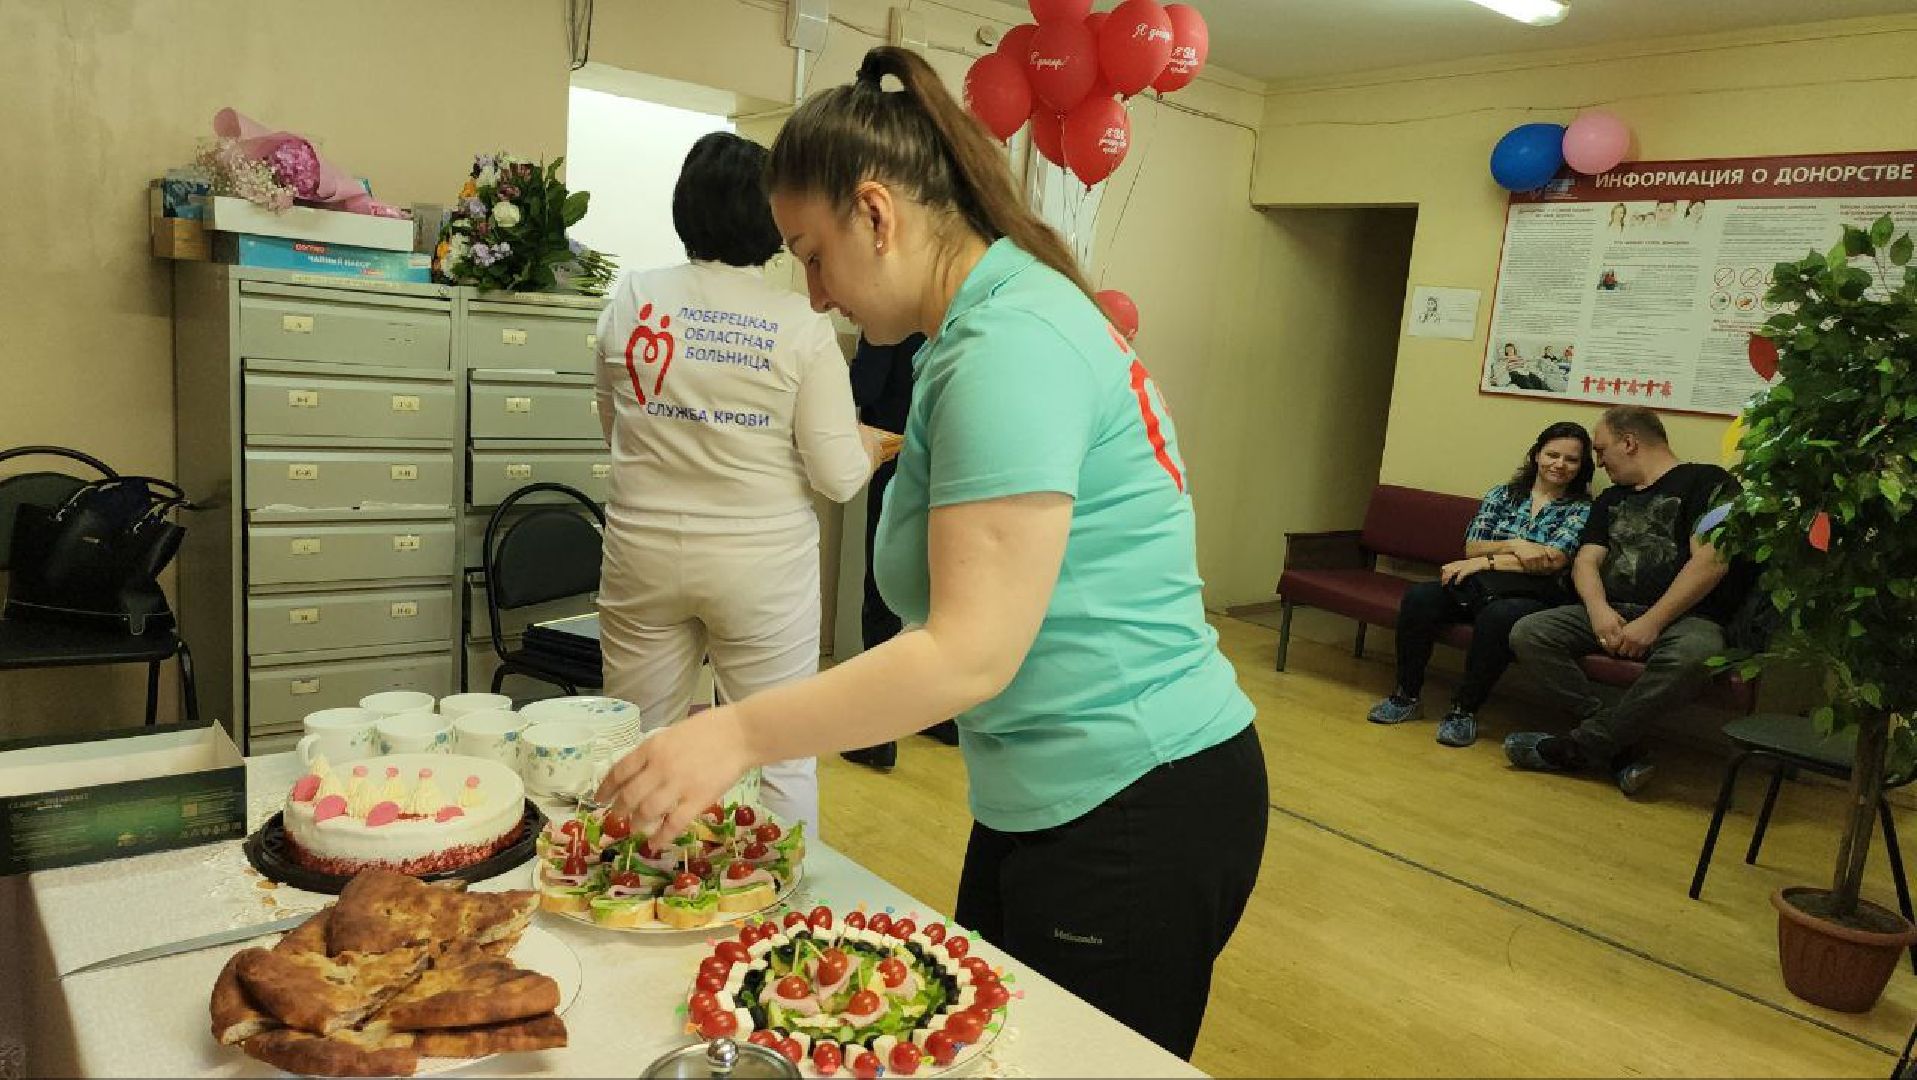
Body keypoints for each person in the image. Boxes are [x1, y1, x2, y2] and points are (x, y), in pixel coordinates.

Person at [598, 47, 1267, 1061]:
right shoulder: (976, 333)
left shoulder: (1013, 346)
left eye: (812, 254)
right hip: (1053, 792)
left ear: (878, 213)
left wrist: (735, 734)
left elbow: (966, 654)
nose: (813, 295)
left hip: (1132, 794)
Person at [591, 131, 893, 834]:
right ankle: (778, 919)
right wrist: (869, 446)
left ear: (682, 208)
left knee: (632, 746)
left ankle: (633, 903)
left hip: (642, 551)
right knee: (780, 752)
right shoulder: (798, 321)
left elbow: (616, 429)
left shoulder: (631, 297)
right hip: (762, 567)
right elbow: (838, 475)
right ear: (771, 217)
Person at [1503, 406, 1742, 792]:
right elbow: (1585, 561)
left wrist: (1652, 623)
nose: (1597, 462)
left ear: (1629, 443)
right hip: (1613, 608)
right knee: (1530, 632)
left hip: (1685, 618)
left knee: (1695, 656)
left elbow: (1712, 561)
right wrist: (1598, 612)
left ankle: (1581, 746)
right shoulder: (1611, 497)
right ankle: (1618, 743)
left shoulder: (1710, 482)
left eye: (1601, 450)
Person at [1369, 422, 1593, 747]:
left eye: (1571, 459)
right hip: (1478, 584)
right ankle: (1406, 696)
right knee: (1420, 597)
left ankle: (1463, 710)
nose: (1559, 464)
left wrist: (1484, 562)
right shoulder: (1503, 494)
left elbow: (1552, 561)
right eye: (1552, 454)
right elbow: (1472, 545)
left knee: (1498, 617)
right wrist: (1517, 544)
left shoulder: (1582, 509)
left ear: (1582, 466)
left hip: (1534, 594)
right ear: (1536, 455)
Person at [840, 331, 962, 771]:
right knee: (939, 594)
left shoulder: (884, 324)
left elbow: (864, 388)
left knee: (882, 596)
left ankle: (877, 734)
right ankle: (940, 715)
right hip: (951, 467)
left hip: (896, 462)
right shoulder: (952, 321)